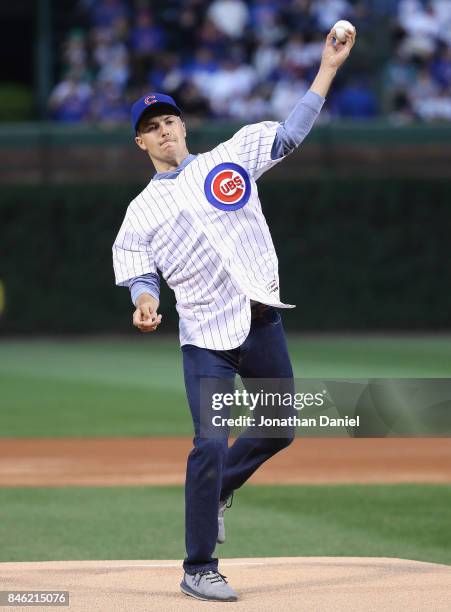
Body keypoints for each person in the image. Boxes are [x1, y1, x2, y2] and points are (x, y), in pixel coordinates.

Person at [112, 26, 356, 602]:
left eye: (169, 120)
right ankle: (199, 566)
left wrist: (327, 67)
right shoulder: (141, 211)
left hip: (262, 320)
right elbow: (139, 272)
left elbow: (292, 133)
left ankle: (218, 490)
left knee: (279, 429)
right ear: (141, 145)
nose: (164, 130)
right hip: (205, 338)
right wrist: (145, 302)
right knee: (209, 442)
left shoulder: (232, 157)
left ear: (183, 125)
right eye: (151, 128)